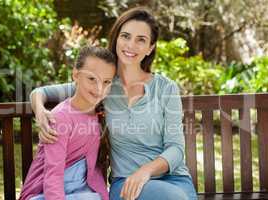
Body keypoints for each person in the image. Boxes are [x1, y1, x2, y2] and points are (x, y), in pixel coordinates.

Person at [30, 7, 197, 200]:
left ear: (150, 47)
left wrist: (145, 172)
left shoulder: (166, 88)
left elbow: (176, 148)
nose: (130, 45)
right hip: (126, 183)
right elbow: (40, 92)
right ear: (116, 38)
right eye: (125, 36)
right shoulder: (103, 85)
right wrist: (41, 112)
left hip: (174, 180)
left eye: (141, 40)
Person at [19, 46, 116, 200]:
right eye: (92, 79)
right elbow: (53, 175)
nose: (99, 88)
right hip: (45, 194)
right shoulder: (61, 117)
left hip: (80, 192)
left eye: (106, 82)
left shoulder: (99, 114)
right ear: (76, 75)